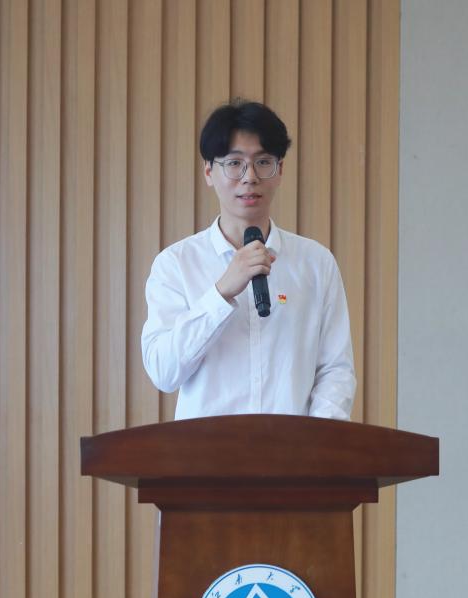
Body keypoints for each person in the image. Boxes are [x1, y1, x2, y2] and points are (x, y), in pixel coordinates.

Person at [141, 100, 356, 420]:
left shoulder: (316, 263)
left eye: (263, 162)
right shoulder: (176, 264)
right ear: (209, 172)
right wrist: (221, 293)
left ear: (280, 170)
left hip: (294, 449)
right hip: (204, 450)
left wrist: (315, 441)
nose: (250, 177)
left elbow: (335, 369)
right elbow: (163, 371)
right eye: (234, 163)